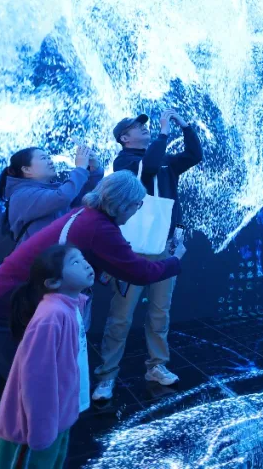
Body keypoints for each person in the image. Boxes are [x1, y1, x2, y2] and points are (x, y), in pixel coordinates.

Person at [0, 171, 185, 390]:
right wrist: (175, 260)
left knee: (21, 386)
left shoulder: (86, 214)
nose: (137, 211)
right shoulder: (99, 228)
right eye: (137, 205)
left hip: (10, 305)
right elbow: (140, 273)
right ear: (123, 205)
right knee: (33, 388)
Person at [92, 110, 203, 398]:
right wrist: (164, 133)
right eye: (136, 127)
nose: (145, 128)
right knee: (121, 316)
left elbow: (194, 155)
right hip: (133, 251)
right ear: (124, 138)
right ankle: (107, 375)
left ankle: (157, 365)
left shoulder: (165, 160)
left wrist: (185, 126)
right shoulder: (124, 163)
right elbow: (149, 168)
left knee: (160, 311)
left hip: (164, 247)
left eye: (146, 125)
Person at [0, 244, 93, 469]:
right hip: (34, 430)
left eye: (83, 258)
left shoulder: (71, 306)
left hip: (58, 418)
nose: (86, 265)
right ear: (53, 282)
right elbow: (36, 379)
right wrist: (40, 432)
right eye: (75, 262)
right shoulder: (51, 317)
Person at [0, 145, 103, 245]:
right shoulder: (21, 196)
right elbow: (63, 197)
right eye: (44, 158)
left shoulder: (52, 189)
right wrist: (80, 168)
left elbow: (81, 200)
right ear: (26, 169)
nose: (50, 161)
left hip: (62, 254)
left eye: (49, 158)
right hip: (42, 258)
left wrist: (93, 170)